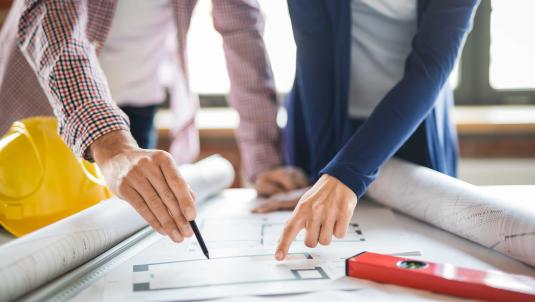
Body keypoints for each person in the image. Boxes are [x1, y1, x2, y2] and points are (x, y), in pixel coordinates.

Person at [0, 0, 305, 243]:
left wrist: (265, 163)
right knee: (33, 240)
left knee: (115, 243)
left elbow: (242, 33)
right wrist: (112, 144)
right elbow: (53, 20)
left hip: (137, 111)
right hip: (46, 107)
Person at [251, 0, 480, 261]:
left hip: (412, 121)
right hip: (325, 124)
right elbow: (315, 47)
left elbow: (431, 68)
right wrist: (322, 174)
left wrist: (348, 172)